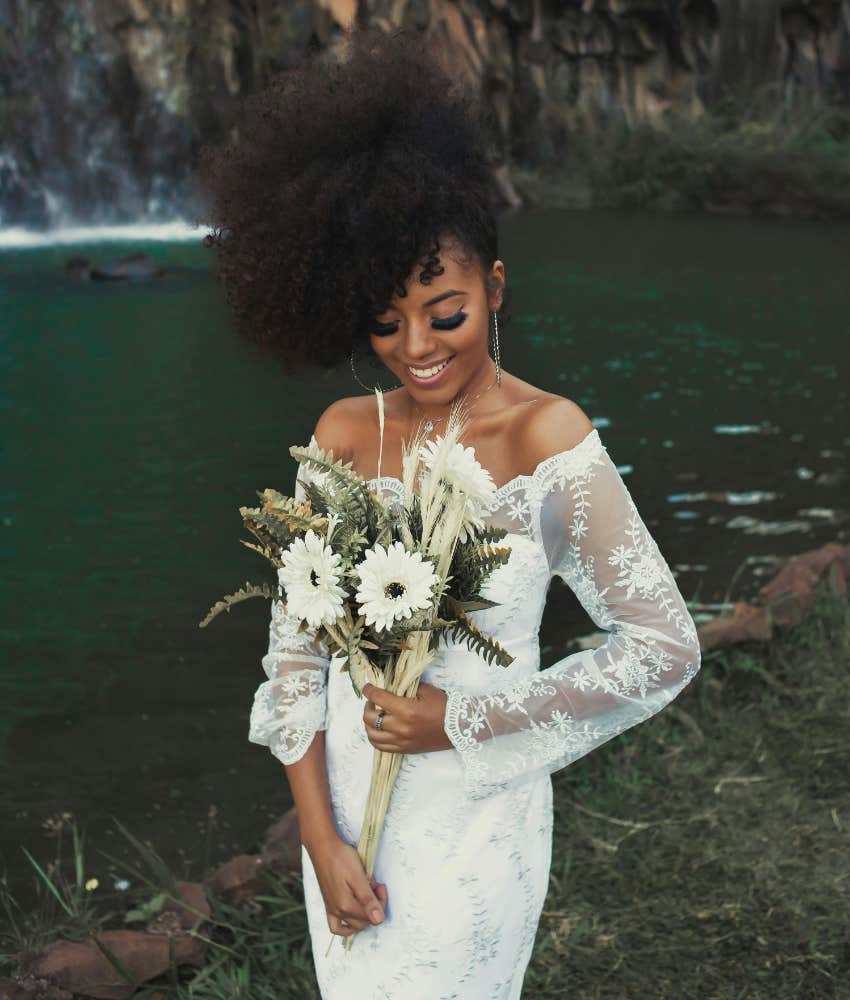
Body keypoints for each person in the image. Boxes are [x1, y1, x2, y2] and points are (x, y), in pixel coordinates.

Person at [199, 25, 702, 999]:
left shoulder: (547, 440)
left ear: (495, 288)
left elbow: (663, 646)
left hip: (475, 817)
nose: (416, 345)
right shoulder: (340, 435)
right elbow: (295, 658)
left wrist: (465, 719)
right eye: (385, 320)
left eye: (446, 310)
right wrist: (316, 833)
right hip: (344, 806)